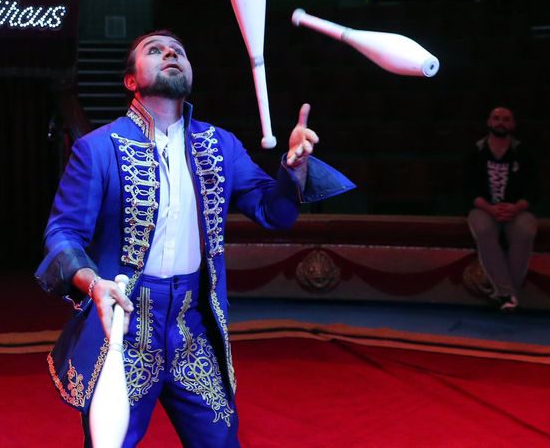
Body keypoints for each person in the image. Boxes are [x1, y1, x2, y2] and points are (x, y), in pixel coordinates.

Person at [35, 30, 354, 447]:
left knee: (221, 441)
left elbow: (274, 212)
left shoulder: (220, 146)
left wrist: (293, 169)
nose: (170, 53)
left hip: (192, 325)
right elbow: (62, 233)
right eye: (155, 50)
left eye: (179, 51)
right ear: (131, 80)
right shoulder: (98, 149)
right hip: (126, 324)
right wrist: (93, 283)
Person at [464, 106, 539, 313]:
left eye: (506, 119)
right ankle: (508, 292)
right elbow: (467, 188)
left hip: (516, 208)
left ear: (512, 125)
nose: (500, 123)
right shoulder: (477, 150)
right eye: (496, 118)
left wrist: (516, 208)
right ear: (489, 122)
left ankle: (506, 293)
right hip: (484, 207)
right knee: (484, 231)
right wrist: (490, 208)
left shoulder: (522, 151)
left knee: (524, 231)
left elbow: (534, 188)